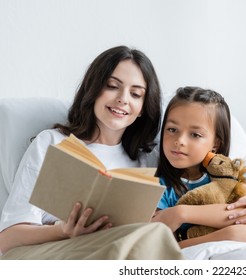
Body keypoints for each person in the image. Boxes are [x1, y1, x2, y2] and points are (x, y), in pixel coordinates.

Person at [0, 45, 183, 260]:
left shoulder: (147, 159)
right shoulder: (53, 143)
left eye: (135, 94)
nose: (123, 99)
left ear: (142, 107)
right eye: (113, 86)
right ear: (94, 89)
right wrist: (63, 231)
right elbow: (7, 238)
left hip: (114, 250)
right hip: (45, 252)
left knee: (150, 236)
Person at [152, 86, 246, 249]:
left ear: (215, 144)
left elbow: (244, 213)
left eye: (195, 134)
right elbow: (168, 248)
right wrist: (224, 235)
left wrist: (180, 213)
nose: (179, 140)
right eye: (172, 129)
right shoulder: (159, 187)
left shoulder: (229, 174)